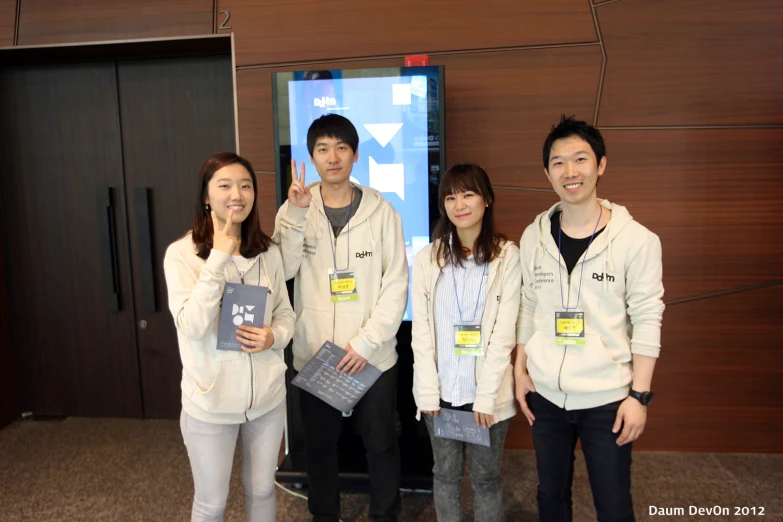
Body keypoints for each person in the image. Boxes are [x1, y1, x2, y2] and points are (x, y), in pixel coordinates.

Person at [514, 115, 665, 522]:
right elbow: (529, 304)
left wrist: (639, 396)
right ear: (547, 172)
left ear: (600, 165)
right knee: (550, 497)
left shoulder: (637, 241)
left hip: (608, 399)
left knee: (613, 505)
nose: (570, 171)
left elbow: (648, 319)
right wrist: (520, 367)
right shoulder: (535, 236)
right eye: (558, 162)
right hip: (546, 394)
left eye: (580, 159)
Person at [274, 113, 408, 522]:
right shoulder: (295, 208)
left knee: (382, 445)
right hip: (317, 353)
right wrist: (295, 215)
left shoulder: (382, 213)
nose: (333, 157)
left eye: (341, 148)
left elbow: (396, 284)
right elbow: (283, 271)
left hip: (373, 356)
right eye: (323, 149)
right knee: (319, 447)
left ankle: (385, 515)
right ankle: (324, 515)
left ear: (354, 155)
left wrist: (364, 344)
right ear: (312, 158)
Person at [163, 152, 295, 522]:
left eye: (245, 185)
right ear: (206, 196)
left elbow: (285, 313)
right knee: (211, 504)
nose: (237, 194)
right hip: (211, 403)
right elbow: (191, 324)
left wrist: (273, 336)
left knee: (263, 490)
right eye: (224, 185)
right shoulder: (182, 255)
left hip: (267, 398)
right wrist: (218, 259)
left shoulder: (267, 251)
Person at [411, 163, 520, 522]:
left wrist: (487, 395)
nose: (459, 204)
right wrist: (427, 391)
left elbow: (504, 335)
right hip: (441, 392)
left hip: (486, 395)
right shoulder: (429, 258)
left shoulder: (507, 256)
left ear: (486, 199)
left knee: (486, 479)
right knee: (444, 475)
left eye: (468, 194)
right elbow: (422, 332)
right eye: (450, 196)